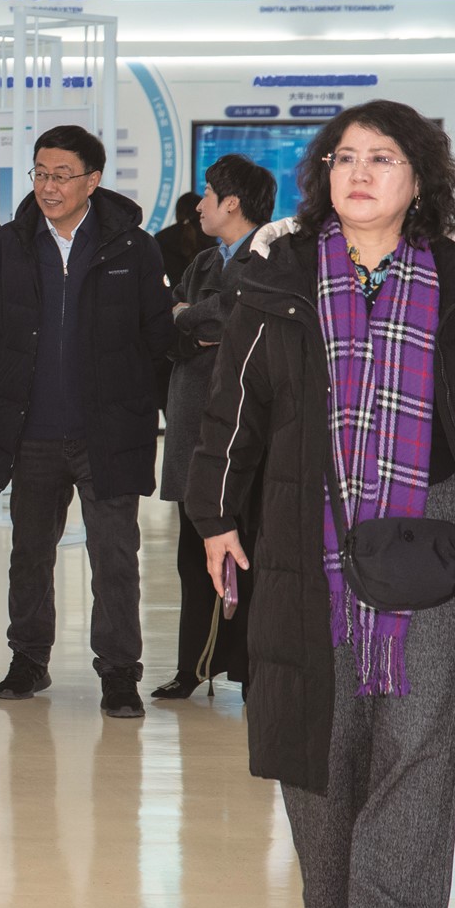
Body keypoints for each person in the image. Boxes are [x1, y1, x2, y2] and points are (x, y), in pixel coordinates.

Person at [187, 100, 455, 908]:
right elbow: (231, 413)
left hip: (434, 538)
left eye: (382, 158)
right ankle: (335, 897)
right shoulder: (277, 280)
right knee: (320, 740)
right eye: (345, 157)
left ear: (419, 180)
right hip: (304, 535)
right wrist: (215, 517)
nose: (359, 173)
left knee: (418, 748)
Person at [0, 124, 172, 719]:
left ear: (93, 180)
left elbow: (156, 337)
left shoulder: (134, 248)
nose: (48, 186)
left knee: (115, 555)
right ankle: (29, 657)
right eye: (40, 173)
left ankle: (119, 671)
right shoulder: (8, 244)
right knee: (30, 553)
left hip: (107, 432)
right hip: (31, 430)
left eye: (62, 175)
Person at [152, 154, 275, 700]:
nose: (199, 205)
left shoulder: (271, 256)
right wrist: (190, 324)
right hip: (193, 429)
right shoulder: (203, 261)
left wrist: (188, 315)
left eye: (207, 193)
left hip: (248, 435)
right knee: (192, 555)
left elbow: (238, 317)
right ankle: (193, 665)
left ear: (232, 202)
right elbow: (165, 330)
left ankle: (252, 671)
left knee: (251, 552)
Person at [153, 190, 205, 289]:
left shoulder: (161, 237)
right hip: (204, 296)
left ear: (178, 212)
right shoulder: (209, 236)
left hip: (171, 295)